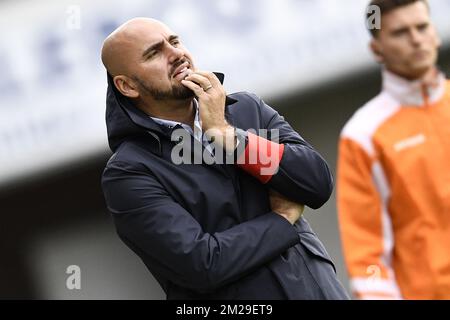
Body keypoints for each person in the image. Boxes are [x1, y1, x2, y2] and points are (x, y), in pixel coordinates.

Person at [100, 17, 348, 300]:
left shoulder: (246, 110)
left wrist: (228, 136)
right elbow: (202, 264)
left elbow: (315, 183)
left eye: (175, 41)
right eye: (155, 53)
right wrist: (280, 221)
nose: (176, 54)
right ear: (127, 86)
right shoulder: (128, 172)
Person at [337, 0, 450, 299]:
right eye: (401, 32)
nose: (416, 39)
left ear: (435, 33)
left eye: (422, 27)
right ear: (377, 49)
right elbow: (366, 255)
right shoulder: (362, 135)